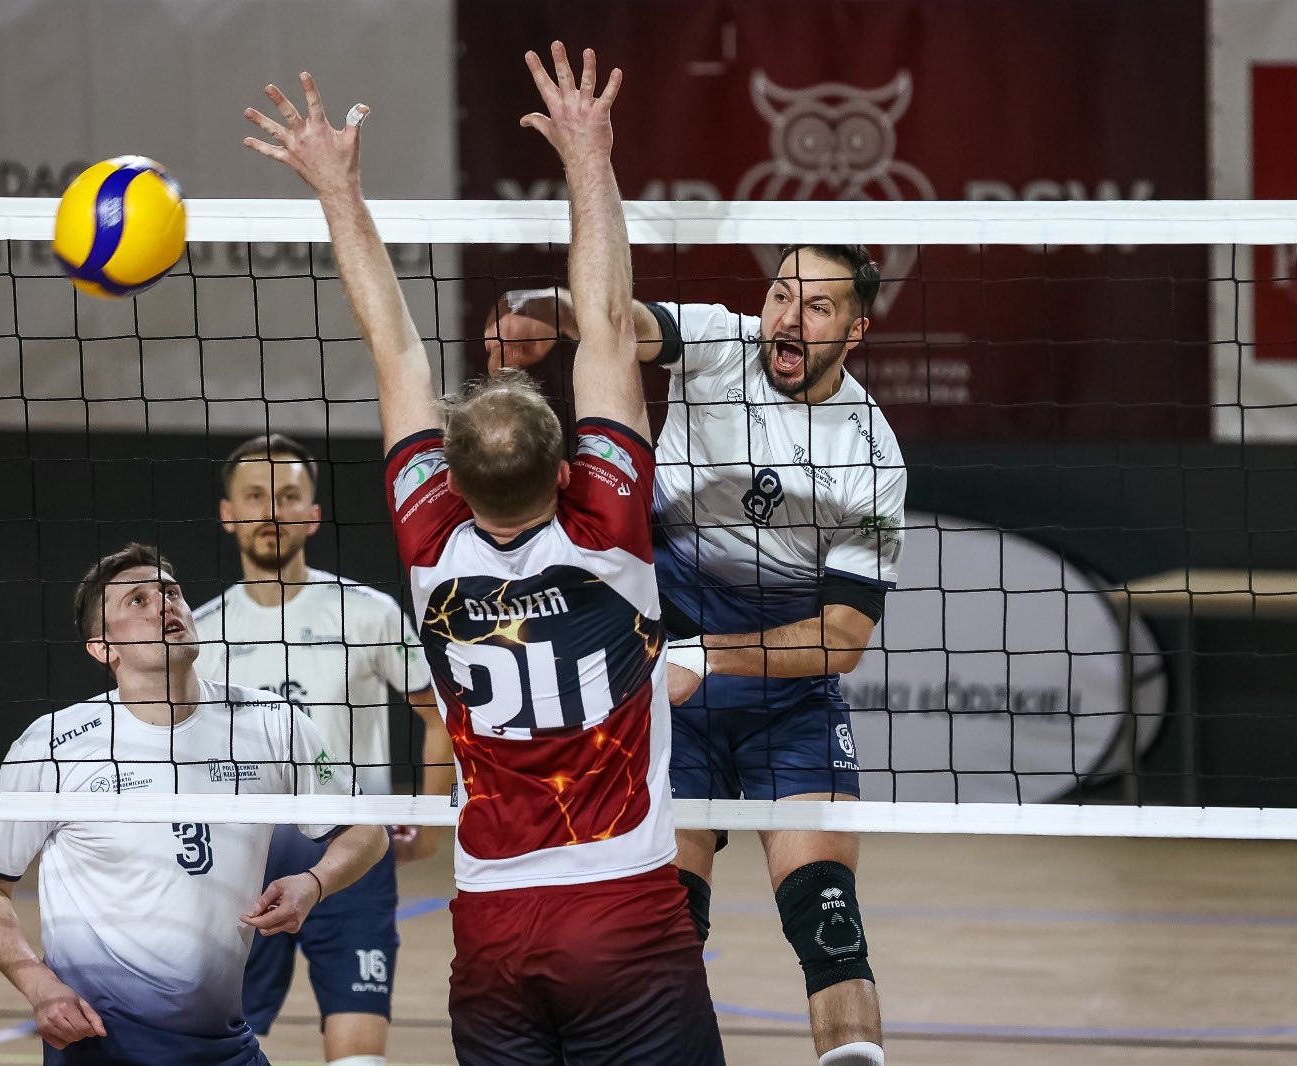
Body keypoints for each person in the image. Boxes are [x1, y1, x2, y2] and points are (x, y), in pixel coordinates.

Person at [242, 43, 724, 1065]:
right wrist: (589, 158)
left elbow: (396, 352)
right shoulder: (610, 533)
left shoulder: (431, 540)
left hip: (494, 923)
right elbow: (605, 325)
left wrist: (337, 190)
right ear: (570, 472)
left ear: (452, 481)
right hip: (623, 907)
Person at [484, 242, 905, 1062]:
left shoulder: (871, 453)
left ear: (854, 334)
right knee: (665, 931)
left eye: (818, 307)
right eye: (781, 294)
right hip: (668, 701)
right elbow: (617, 323)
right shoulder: (721, 341)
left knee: (829, 925)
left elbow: (843, 640)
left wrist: (706, 657)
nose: (787, 318)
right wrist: (543, 307)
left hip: (784, 702)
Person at [0, 543, 389, 1064]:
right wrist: (39, 985)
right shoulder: (52, 746)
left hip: (222, 1044)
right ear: (103, 647)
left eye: (171, 592)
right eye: (137, 600)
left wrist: (314, 883)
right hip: (101, 1047)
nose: (164, 604)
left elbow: (367, 831)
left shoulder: (273, 723)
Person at [193, 432, 447, 1062]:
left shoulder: (368, 613)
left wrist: (428, 819)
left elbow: (441, 718)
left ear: (312, 514)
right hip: (243, 865)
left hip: (351, 856)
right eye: (254, 496)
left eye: (287, 496)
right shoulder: (200, 633)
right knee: (217, 1051)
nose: (271, 510)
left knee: (359, 1057)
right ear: (227, 514)